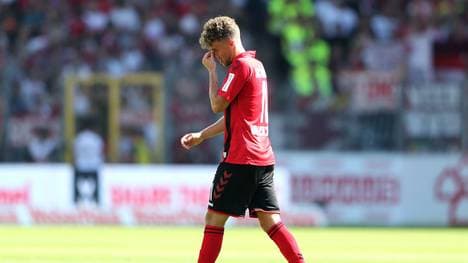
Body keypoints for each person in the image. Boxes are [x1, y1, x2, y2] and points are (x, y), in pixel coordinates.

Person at [180, 16, 305, 263]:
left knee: (214, 219)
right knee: (271, 221)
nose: (214, 56)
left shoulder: (240, 67)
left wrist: (212, 73)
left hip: (240, 158)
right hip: (262, 158)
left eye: (215, 50)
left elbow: (217, 105)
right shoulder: (257, 66)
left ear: (228, 42)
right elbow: (235, 119)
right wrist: (202, 135)